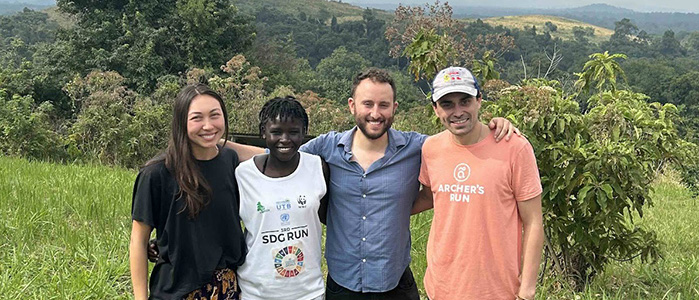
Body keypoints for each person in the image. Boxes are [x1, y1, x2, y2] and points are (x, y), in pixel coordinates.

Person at [227, 68, 522, 300]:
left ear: (395, 107)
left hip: (395, 282)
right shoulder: (328, 148)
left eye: (383, 105)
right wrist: (219, 144)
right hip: (343, 283)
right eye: (368, 103)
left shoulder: (418, 148)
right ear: (353, 105)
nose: (375, 113)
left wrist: (495, 125)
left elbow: (454, 154)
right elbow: (279, 153)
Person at [414, 66, 544, 300]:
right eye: (447, 104)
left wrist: (527, 289)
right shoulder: (431, 148)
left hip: (497, 290)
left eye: (465, 101)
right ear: (435, 109)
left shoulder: (513, 147)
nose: (458, 111)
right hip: (441, 286)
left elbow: (533, 221)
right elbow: (429, 197)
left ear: (479, 101)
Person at [130, 84, 246, 300]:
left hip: (227, 288)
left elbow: (272, 154)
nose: (208, 125)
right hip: (175, 290)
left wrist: (215, 139)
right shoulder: (157, 173)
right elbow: (138, 241)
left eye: (215, 116)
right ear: (181, 122)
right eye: (197, 118)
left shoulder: (230, 161)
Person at [234, 96, 329, 300]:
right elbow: (222, 226)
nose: (285, 139)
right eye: (276, 132)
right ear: (263, 133)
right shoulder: (243, 175)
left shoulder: (317, 167)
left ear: (304, 133)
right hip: (256, 293)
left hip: (308, 293)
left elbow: (332, 218)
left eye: (293, 132)